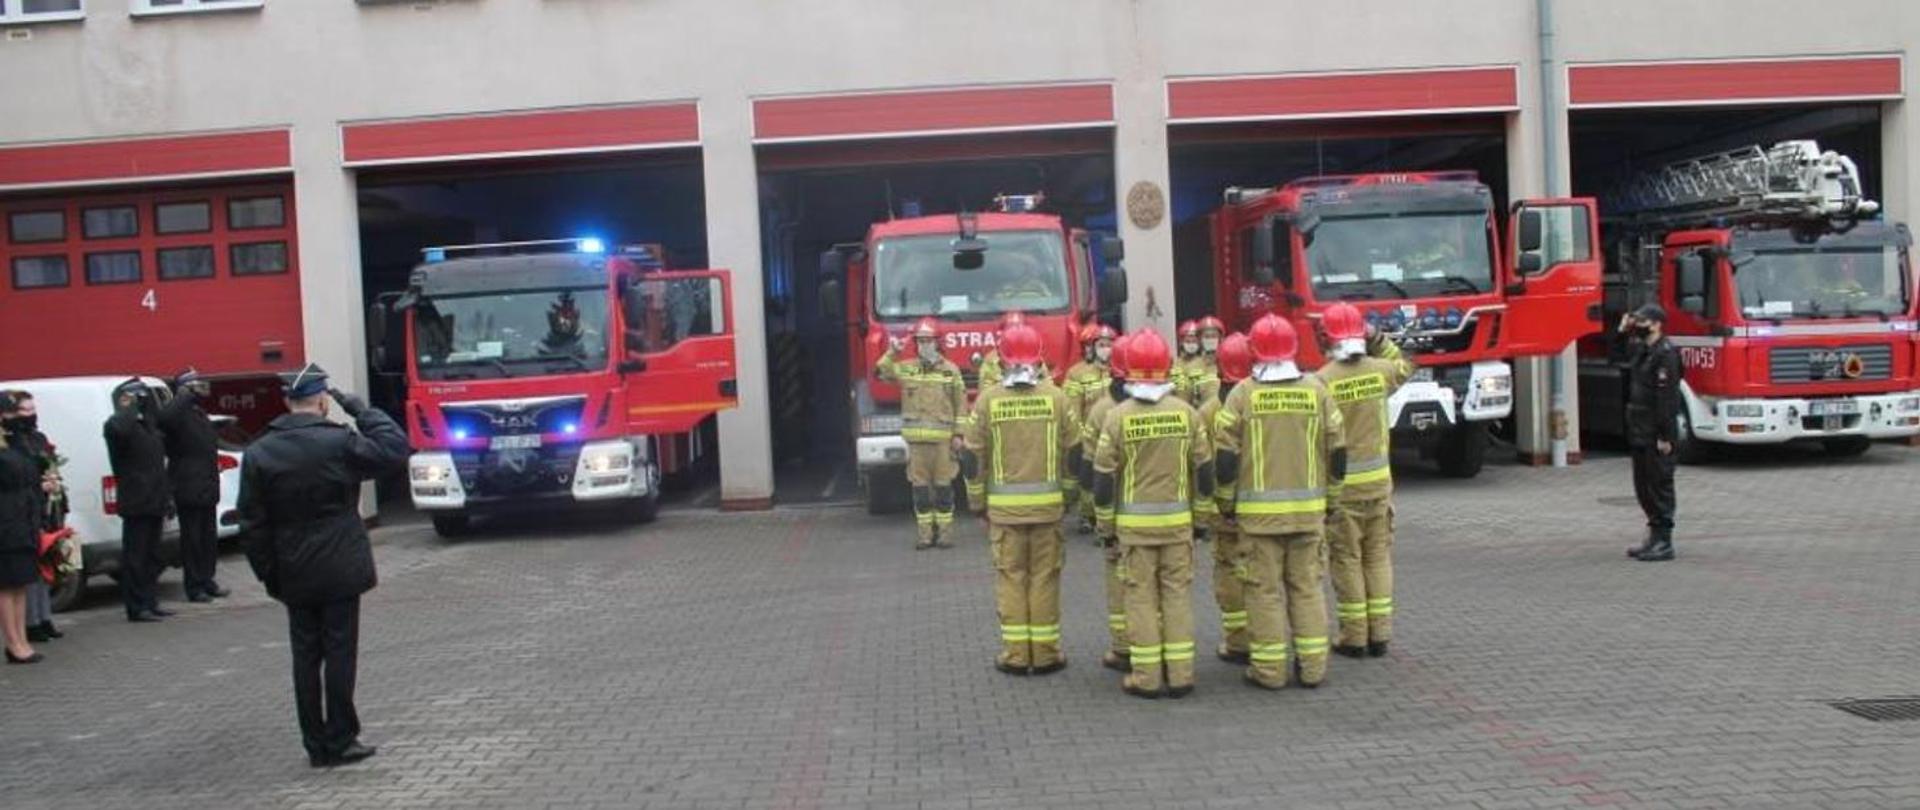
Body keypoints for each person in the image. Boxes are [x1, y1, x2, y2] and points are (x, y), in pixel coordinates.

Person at [239, 363, 409, 768]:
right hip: (340, 565)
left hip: (293, 568)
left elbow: (252, 523)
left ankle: (315, 744)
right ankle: (342, 737)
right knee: (339, 653)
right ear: (321, 401)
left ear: (286, 401)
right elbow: (394, 447)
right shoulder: (339, 442)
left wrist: (269, 573)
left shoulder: (260, 451)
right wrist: (361, 410)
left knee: (305, 657)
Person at [1214, 314, 1346, 690]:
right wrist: (1331, 500)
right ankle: (1313, 668)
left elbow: (1225, 458)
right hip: (1308, 516)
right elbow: (1338, 451)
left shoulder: (1242, 394)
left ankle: (1269, 672)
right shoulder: (1317, 390)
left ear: (1254, 351)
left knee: (1264, 593)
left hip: (1258, 522)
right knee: (1306, 589)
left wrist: (1226, 502)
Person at [1092, 329, 1213, 699]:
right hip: (1178, 526)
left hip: (1134, 531)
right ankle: (1180, 675)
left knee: (1140, 599)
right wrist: (1202, 521)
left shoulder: (1117, 417)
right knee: (1176, 597)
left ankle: (1146, 678)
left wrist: (1105, 526)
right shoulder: (1187, 414)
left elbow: (1102, 479)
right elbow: (1205, 473)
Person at [963, 324, 1078, 675]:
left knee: (1011, 578)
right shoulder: (1056, 398)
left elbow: (972, 458)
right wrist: (1069, 497)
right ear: (1039, 355)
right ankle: (1044, 655)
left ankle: (1016, 655)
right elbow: (1074, 453)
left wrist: (977, 503)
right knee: (1044, 578)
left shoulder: (988, 400)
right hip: (1047, 511)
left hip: (1004, 514)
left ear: (1002, 358)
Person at [1313, 304, 1415, 658]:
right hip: (1379, 485)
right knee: (1377, 557)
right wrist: (1378, 339)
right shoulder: (1381, 371)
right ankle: (1381, 633)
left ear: (1326, 337)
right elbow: (1405, 363)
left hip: (1343, 490)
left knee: (1346, 559)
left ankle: (1354, 636)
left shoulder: (1322, 380)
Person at [875, 317, 968, 549]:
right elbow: (881, 372)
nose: (924, 344)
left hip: (943, 445)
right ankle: (925, 536)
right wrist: (892, 352)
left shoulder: (950, 371)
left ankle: (945, 535)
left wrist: (959, 435)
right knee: (921, 494)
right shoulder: (907, 368)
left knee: (944, 491)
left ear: (938, 342)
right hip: (917, 445)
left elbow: (961, 405)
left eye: (928, 340)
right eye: (920, 340)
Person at [1199, 333, 1254, 664]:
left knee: (1230, 572)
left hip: (1226, 510)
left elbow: (1203, 466)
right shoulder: (1263, 399)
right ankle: (1266, 639)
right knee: (1262, 577)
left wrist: (1215, 506)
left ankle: (1238, 642)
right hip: (1262, 508)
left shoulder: (1208, 412)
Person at [1079, 334, 1132, 670]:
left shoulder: (1101, 411)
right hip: (1165, 520)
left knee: (1121, 584)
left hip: (1119, 517)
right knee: (1164, 591)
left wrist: (1103, 522)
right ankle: (1168, 656)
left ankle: (1125, 649)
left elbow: (1090, 473)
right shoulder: (1179, 410)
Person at [104, 379, 172, 623]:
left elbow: (158, 463)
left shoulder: (147, 426)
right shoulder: (117, 425)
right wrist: (127, 405)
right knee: (136, 557)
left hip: (155, 498)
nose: (141, 400)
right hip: (136, 501)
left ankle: (150, 601)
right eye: (136, 396)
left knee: (152, 556)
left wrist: (168, 497)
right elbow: (121, 428)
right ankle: (136, 606)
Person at [158, 369, 228, 603]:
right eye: (195, 385)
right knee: (193, 540)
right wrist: (183, 395)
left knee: (208, 539)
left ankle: (207, 580)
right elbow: (165, 419)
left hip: (206, 484)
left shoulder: (197, 413)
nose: (202, 388)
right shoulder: (177, 414)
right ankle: (194, 585)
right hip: (188, 485)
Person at [1621, 304, 1683, 562]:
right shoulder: (1643, 351)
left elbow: (1667, 399)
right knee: (1643, 486)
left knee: (1659, 485)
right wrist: (1623, 332)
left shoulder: (1665, 354)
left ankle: (1664, 541)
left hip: (1656, 432)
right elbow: (1619, 359)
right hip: (1639, 429)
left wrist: (1665, 436)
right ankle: (1653, 535)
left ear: (1657, 324)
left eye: (1642, 320)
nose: (1638, 324)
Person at [9, 391, 66, 642]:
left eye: (33, 410)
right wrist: (39, 484)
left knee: (47, 563)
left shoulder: (38, 438)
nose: (31, 416)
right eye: (25, 411)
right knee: (29, 572)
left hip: (45, 508)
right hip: (25, 511)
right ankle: (30, 623)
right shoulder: (14, 443)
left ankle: (44, 617)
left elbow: (48, 463)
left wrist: (54, 479)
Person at [1, 393, 46, 664]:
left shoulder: (18, 445)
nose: (18, 419)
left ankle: (22, 639)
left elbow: (29, 473)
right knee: (7, 586)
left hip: (23, 521)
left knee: (21, 584)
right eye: (12, 414)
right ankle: (13, 642)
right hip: (5, 523)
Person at [1060, 322, 1115, 532]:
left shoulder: (1119, 371)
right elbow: (1071, 409)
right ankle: (1086, 515)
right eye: (1101, 344)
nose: (1105, 349)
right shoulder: (1077, 374)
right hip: (1089, 436)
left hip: (1114, 435)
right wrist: (1083, 436)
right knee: (1088, 478)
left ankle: (1107, 518)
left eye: (1109, 344)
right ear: (1091, 347)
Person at [1172, 319, 1221, 406]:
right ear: (1200, 340)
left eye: (1214, 336)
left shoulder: (1225, 363)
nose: (1210, 340)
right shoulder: (1191, 367)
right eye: (1206, 337)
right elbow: (1184, 401)